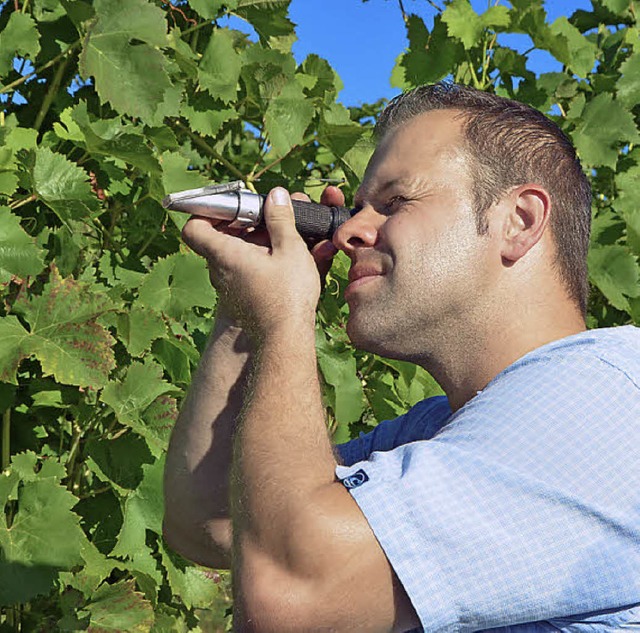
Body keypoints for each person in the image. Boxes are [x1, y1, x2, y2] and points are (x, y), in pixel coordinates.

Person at [163, 82, 640, 632]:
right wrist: (244, 317)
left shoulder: (601, 402)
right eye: (358, 209)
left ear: (520, 220)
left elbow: (290, 597)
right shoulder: (440, 431)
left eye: (395, 203)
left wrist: (282, 318)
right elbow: (212, 520)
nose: (351, 233)